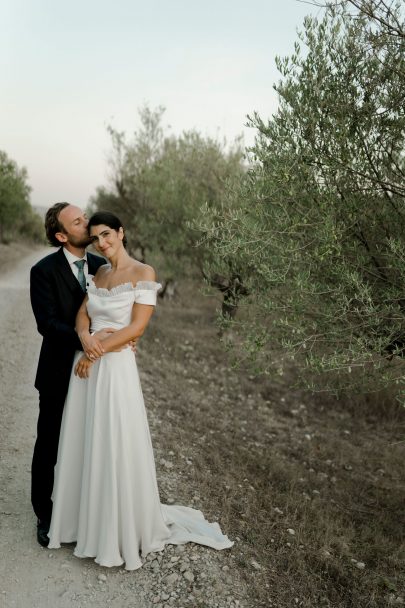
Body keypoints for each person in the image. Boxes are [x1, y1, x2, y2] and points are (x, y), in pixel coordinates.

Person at [47, 210, 233, 570]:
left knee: (114, 441)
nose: (102, 242)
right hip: (87, 369)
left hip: (115, 371)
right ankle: (82, 524)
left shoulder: (143, 273)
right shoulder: (99, 272)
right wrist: (86, 340)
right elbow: (84, 314)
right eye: (96, 237)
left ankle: (116, 530)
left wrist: (97, 350)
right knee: (87, 442)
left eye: (107, 234)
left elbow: (136, 330)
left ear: (121, 232)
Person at [30, 203, 106, 547]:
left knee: (92, 440)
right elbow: (46, 324)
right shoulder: (43, 271)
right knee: (50, 443)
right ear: (62, 235)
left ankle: (85, 510)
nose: (86, 222)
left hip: (101, 372)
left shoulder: (103, 266)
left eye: (84, 216)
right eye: (78, 221)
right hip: (59, 369)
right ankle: (45, 514)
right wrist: (85, 339)